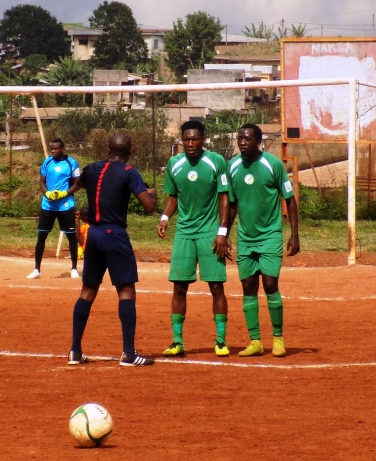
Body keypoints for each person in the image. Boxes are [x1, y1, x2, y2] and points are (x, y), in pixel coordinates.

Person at [64, 132, 158, 366]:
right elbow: (148, 207)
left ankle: (75, 351)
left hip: (93, 235)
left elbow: (77, 184)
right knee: (126, 290)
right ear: (130, 152)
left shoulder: (92, 168)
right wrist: (152, 195)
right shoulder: (129, 172)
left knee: (87, 291)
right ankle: (128, 353)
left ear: (108, 149)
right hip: (114, 235)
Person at [158, 119, 231, 357]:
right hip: (184, 233)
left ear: (203, 139)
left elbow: (224, 197)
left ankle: (220, 341)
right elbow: (173, 197)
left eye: (195, 139)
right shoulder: (174, 163)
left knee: (216, 286)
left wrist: (222, 232)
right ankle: (177, 341)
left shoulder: (216, 161)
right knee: (179, 287)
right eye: (186, 139)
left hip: (210, 232)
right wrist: (165, 218)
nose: (190, 143)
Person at [226, 123, 299, 358]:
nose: (242, 142)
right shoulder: (232, 166)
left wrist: (294, 234)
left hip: (270, 235)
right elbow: (232, 204)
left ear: (259, 142)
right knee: (248, 287)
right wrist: (224, 234)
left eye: (247, 139)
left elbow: (290, 198)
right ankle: (255, 341)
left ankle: (278, 339)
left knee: (269, 284)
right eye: (240, 138)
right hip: (245, 238)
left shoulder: (273, 165)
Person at [27, 139, 81, 279]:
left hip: (66, 205)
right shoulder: (47, 162)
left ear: (63, 148)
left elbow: (77, 184)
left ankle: (74, 268)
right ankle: (37, 269)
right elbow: (41, 182)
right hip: (48, 205)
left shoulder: (72, 163)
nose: (53, 151)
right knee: (42, 236)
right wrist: (47, 193)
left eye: (56, 149)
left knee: (71, 237)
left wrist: (64, 193)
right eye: (51, 149)